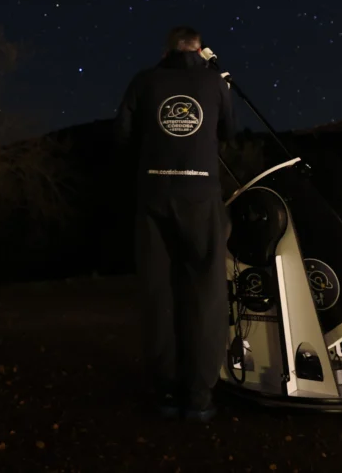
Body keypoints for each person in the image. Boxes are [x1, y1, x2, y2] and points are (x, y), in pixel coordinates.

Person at [114, 25, 236, 423]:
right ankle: (199, 397)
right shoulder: (216, 82)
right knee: (206, 293)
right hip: (201, 197)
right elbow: (229, 133)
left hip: (153, 197)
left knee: (158, 293)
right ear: (200, 50)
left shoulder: (143, 81)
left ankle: (166, 391)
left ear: (167, 49)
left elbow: (123, 137)